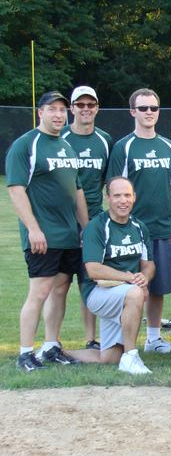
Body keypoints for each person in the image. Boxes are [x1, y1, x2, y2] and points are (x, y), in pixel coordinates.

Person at [6, 91, 88, 371]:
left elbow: (76, 191)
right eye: (52, 109)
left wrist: (86, 229)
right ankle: (25, 353)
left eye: (62, 110)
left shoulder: (66, 146)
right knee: (39, 292)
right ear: (40, 112)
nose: (58, 114)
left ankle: (51, 345)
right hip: (43, 235)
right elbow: (16, 188)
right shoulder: (26, 145)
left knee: (60, 290)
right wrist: (33, 229)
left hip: (68, 235)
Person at [107, 88, 171, 354]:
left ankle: (153, 339)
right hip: (132, 230)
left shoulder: (169, 147)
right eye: (143, 108)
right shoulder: (124, 147)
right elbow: (116, 189)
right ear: (132, 112)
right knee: (130, 285)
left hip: (162, 228)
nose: (149, 113)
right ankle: (121, 341)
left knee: (160, 286)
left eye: (153, 108)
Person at [65, 177, 154, 374]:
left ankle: (60, 352)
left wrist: (144, 277)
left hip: (123, 292)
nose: (123, 201)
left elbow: (149, 264)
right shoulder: (97, 227)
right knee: (135, 293)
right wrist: (131, 278)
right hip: (98, 292)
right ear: (108, 198)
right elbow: (93, 269)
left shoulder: (140, 227)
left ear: (134, 197)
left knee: (109, 357)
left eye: (127, 195)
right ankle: (131, 357)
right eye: (117, 196)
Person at [60, 85, 113, 350]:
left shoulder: (104, 140)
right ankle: (51, 341)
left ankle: (91, 339)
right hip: (61, 221)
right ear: (72, 108)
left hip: (93, 220)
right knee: (58, 283)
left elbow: (107, 181)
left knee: (89, 280)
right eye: (80, 105)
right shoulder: (61, 138)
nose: (85, 109)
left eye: (90, 105)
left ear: (97, 108)